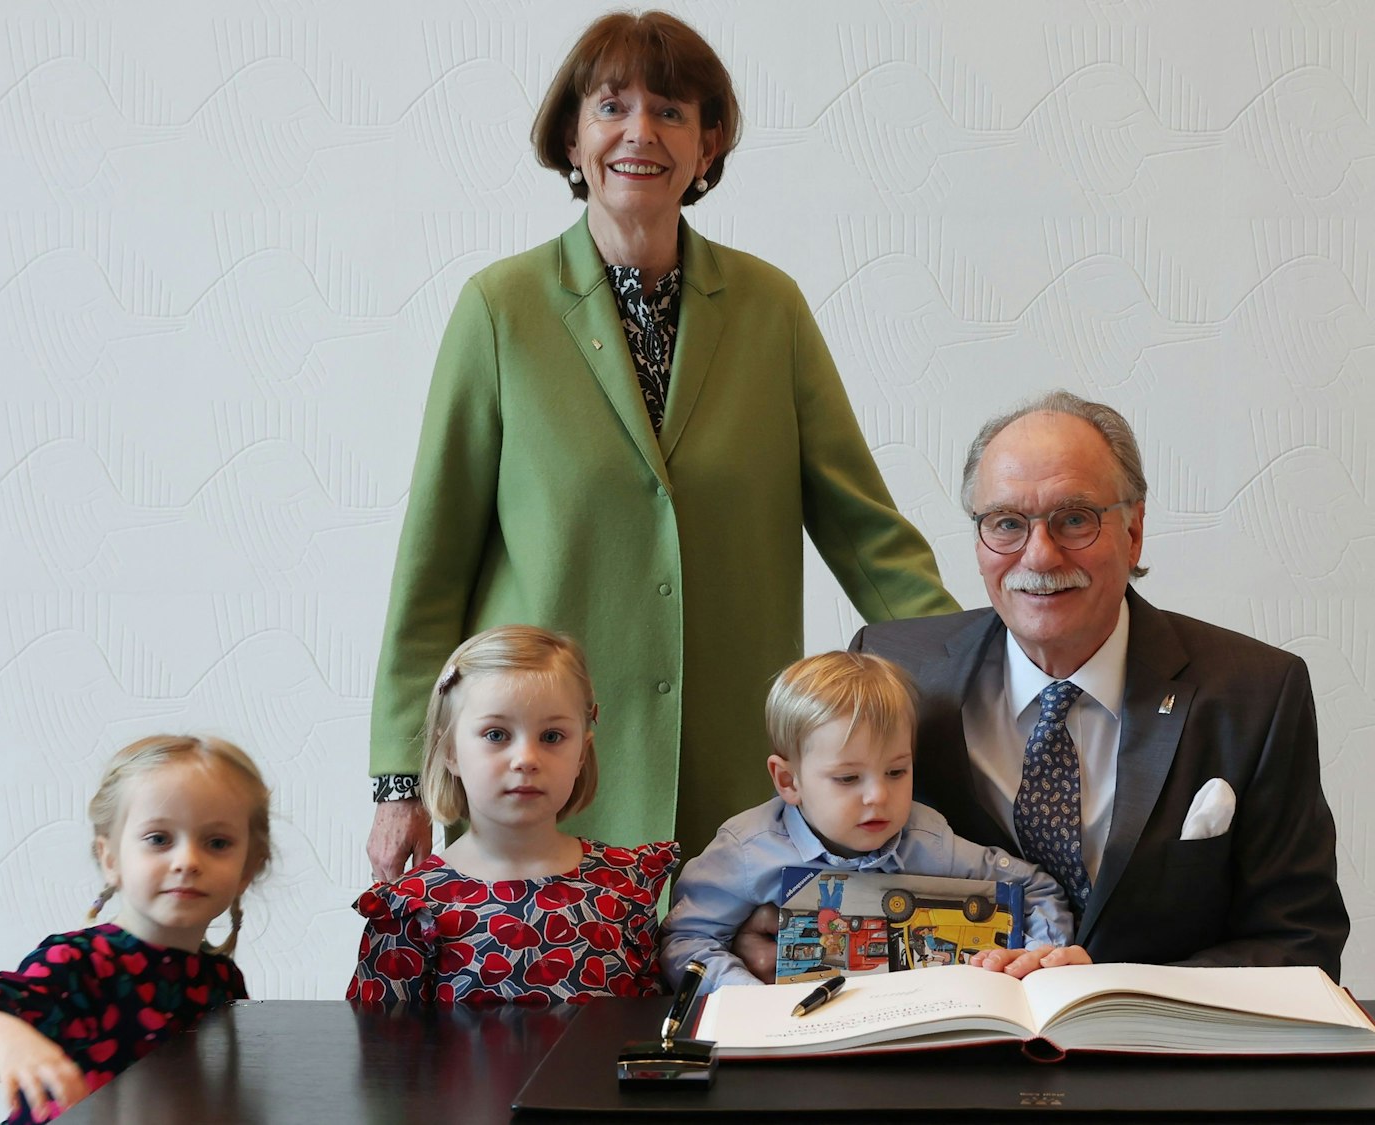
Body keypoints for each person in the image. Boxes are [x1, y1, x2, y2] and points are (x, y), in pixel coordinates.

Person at [364, 10, 956, 882]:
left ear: (708, 145)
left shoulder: (769, 309)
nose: (641, 132)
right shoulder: (500, 311)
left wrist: (980, 682)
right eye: (611, 108)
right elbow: (433, 564)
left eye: (672, 112)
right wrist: (398, 778)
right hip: (546, 781)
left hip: (733, 779)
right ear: (572, 137)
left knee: (723, 1003)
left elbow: (867, 533)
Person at [772, 391, 1347, 978]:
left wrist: (1116, 983)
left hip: (1151, 1053)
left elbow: (1301, 940)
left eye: (1075, 520)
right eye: (1007, 524)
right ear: (979, 540)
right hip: (943, 1048)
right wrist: (754, 937)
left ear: (1134, 530)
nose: (1040, 556)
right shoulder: (895, 672)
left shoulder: (1256, 693)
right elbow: (801, 861)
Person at [660, 651, 1079, 991]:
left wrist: (1037, 958)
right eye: (848, 778)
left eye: (897, 772)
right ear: (789, 781)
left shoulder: (929, 839)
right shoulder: (747, 851)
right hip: (794, 1045)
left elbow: (1033, 887)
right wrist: (746, 995)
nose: (878, 796)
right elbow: (686, 939)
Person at [0, 735, 270, 1125]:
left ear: (247, 870)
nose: (187, 860)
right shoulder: (80, 964)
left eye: (217, 842)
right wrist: (11, 1040)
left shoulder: (222, 981)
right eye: (158, 839)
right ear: (110, 859)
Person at [349, 626, 678, 1005]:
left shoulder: (624, 884)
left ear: (582, 754)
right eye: (496, 735)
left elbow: (650, 1035)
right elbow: (381, 1052)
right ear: (450, 751)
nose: (526, 759)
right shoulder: (414, 908)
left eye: (552, 736)